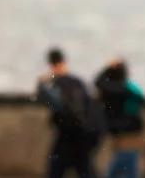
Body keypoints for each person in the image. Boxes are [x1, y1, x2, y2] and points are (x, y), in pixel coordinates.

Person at [36, 48, 98, 178]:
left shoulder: (58, 83)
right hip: (83, 133)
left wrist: (42, 84)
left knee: (56, 169)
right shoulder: (78, 81)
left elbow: (49, 101)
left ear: (52, 65)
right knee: (84, 169)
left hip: (68, 134)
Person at [94, 60, 145, 178]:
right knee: (128, 170)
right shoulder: (130, 88)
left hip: (125, 138)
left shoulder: (117, 89)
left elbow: (98, 82)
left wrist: (108, 67)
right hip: (132, 135)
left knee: (118, 171)